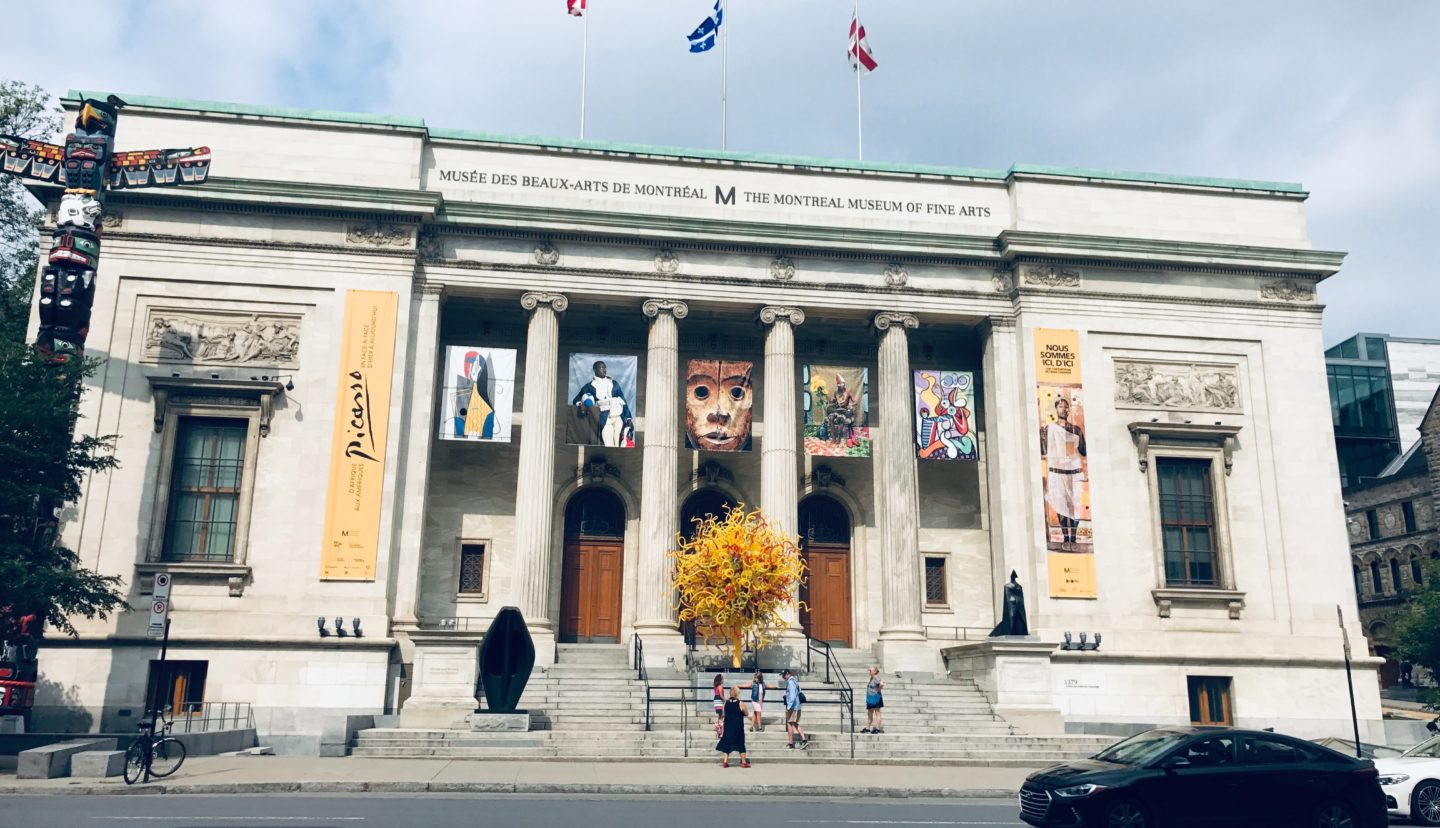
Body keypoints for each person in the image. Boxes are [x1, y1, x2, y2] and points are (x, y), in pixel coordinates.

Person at [1039, 396, 1087, 548]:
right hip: (1057, 472)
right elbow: (1042, 449)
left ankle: (1073, 537)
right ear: (1056, 409)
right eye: (1061, 406)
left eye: (1066, 407)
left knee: (1075, 504)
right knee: (1060, 505)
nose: (1064, 409)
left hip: (1074, 472)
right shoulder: (1048, 430)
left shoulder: (1076, 430)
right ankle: (1066, 537)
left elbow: (1083, 450)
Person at [715, 686, 751, 768]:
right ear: (737, 693)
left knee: (727, 744)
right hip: (738, 727)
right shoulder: (740, 703)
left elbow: (724, 714)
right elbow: (746, 713)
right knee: (741, 744)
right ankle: (744, 762)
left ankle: (725, 761)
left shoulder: (726, 703)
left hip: (728, 726)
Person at [782, 669, 810, 749]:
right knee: (791, 723)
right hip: (795, 706)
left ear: (787, 674)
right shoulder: (794, 681)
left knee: (793, 723)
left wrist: (789, 706)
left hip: (793, 706)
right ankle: (791, 743)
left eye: (784, 675)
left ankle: (804, 740)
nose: (783, 677)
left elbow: (793, 696)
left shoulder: (791, 682)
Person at [862, 666, 885, 734]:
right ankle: (868, 728)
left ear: (874, 671)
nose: (869, 672)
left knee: (877, 713)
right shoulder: (871, 678)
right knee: (869, 713)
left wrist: (879, 689)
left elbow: (882, 684)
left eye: (870, 671)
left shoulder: (876, 678)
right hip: (870, 698)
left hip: (876, 698)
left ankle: (877, 728)